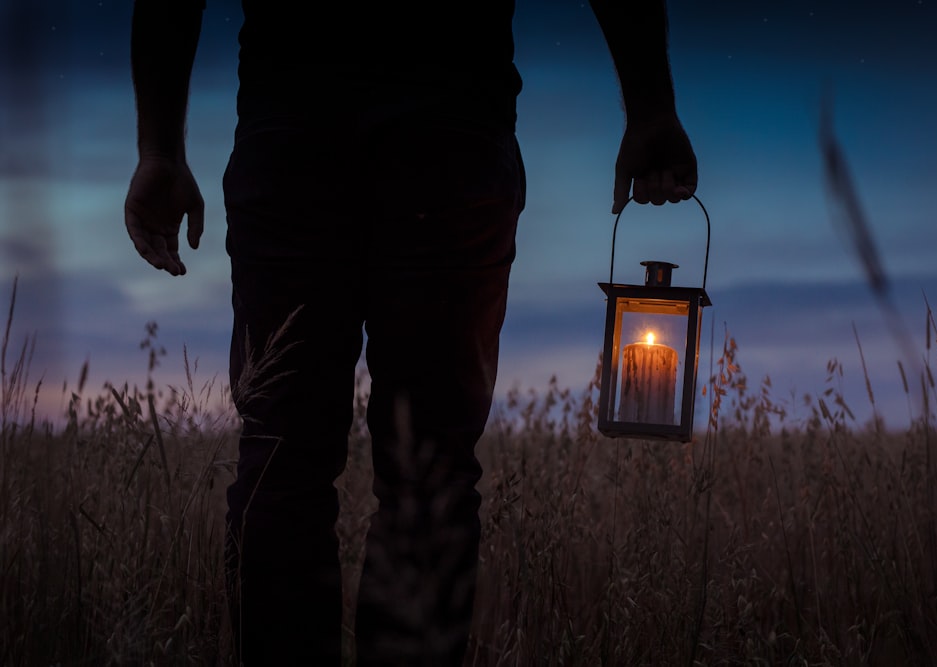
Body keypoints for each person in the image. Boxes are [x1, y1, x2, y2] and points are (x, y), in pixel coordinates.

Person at [124, 0, 697, 664]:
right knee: (430, 474)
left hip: (294, 136)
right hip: (452, 138)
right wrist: (651, 105)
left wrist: (160, 147)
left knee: (282, 464)